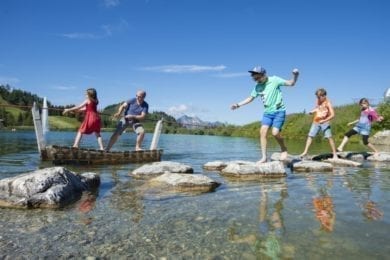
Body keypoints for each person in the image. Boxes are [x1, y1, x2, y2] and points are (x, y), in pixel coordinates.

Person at [231, 66, 299, 163]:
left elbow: (291, 83)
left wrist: (295, 75)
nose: (256, 80)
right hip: (267, 113)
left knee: (275, 133)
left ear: (264, 75)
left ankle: (284, 149)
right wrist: (238, 105)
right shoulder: (257, 87)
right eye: (254, 79)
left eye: (258, 78)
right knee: (262, 132)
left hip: (279, 111)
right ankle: (264, 157)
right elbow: (250, 98)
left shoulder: (275, 80)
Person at [300, 88, 338, 159]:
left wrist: (324, 121)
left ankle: (335, 154)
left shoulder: (328, 103)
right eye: (317, 97)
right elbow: (318, 108)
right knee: (310, 136)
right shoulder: (318, 101)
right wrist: (312, 111)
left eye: (319, 97)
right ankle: (305, 152)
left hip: (325, 122)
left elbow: (333, 115)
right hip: (316, 121)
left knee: (329, 137)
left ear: (324, 96)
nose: (317, 98)